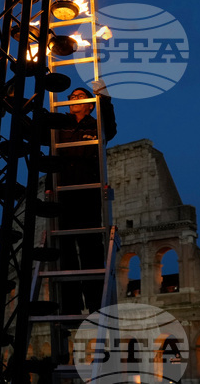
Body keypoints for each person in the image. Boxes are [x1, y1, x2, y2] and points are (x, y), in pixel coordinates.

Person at [53, 79, 117, 315]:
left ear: (90, 104)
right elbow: (37, 130)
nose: (74, 99)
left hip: (88, 194)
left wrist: (105, 98)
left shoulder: (96, 125)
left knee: (91, 249)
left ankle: (96, 306)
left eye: (80, 96)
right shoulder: (61, 126)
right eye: (71, 97)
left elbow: (110, 126)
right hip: (63, 195)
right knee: (66, 252)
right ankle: (69, 309)